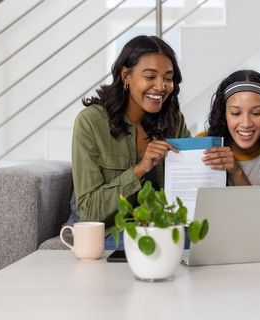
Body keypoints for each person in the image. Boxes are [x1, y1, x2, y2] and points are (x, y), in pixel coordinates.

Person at [71, 35, 190, 247]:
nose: (161, 86)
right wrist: (140, 169)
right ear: (126, 75)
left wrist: (217, 166)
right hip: (112, 232)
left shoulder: (172, 119)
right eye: (150, 76)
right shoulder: (91, 122)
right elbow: (89, 211)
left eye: (168, 78)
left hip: (163, 228)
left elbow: (190, 190)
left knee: (211, 240)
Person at [198, 69, 260, 186]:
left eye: (256, 113)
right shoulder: (203, 142)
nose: (246, 124)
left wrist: (236, 171)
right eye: (235, 113)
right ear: (224, 114)